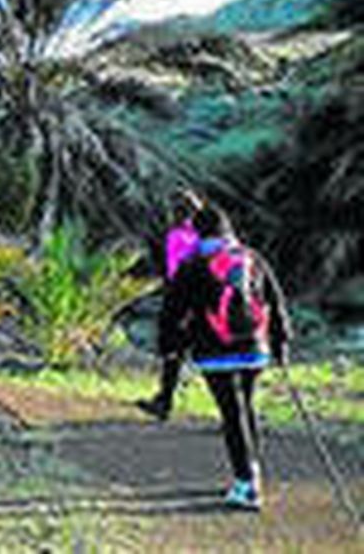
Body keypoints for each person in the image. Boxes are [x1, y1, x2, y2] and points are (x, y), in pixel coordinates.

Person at [158, 204, 290, 512]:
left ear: (199, 231)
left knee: (232, 414)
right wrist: (282, 342)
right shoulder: (252, 258)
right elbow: (275, 299)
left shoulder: (193, 265)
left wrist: (171, 347)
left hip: (215, 351)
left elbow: (171, 313)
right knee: (246, 408)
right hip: (255, 348)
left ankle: (246, 485)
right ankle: (251, 472)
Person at [137, 188, 205, 422]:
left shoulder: (177, 236)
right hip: (206, 298)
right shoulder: (205, 234)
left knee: (173, 353)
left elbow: (175, 272)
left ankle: (165, 401)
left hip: (181, 298)